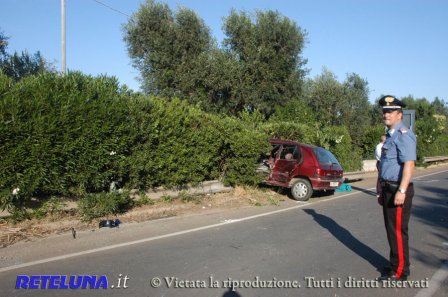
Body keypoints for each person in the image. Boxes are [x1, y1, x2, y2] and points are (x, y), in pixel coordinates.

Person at [376, 95, 416, 281]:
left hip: (397, 189)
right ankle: (395, 264)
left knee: (398, 231)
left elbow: (409, 164)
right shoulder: (391, 136)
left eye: (390, 111)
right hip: (388, 188)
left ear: (400, 115)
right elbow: (384, 164)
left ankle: (401, 271)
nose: (386, 114)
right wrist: (380, 188)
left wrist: (401, 191)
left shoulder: (403, 135)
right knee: (391, 230)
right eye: (384, 111)